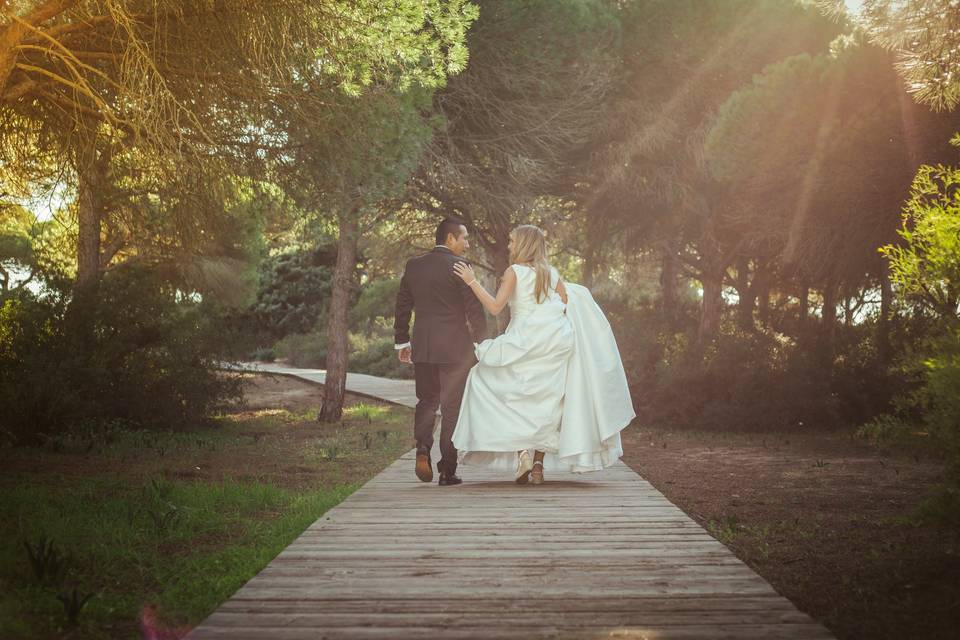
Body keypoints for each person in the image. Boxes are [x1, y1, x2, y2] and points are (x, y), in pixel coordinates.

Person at [451, 224, 635, 485]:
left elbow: (494, 307)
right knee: (547, 404)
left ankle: (523, 454)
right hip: (552, 343)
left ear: (524, 244)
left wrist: (472, 282)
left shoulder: (513, 272)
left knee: (500, 392)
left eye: (513, 241)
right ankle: (537, 466)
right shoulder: (552, 273)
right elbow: (565, 306)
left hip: (521, 341)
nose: (510, 246)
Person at [394, 218, 488, 486]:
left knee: (426, 401)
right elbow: (473, 309)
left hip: (423, 346)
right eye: (464, 238)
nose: (467, 243)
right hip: (455, 350)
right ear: (450, 238)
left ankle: (422, 448)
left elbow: (402, 305)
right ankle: (448, 470)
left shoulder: (414, 266)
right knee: (451, 409)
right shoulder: (460, 266)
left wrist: (402, 341)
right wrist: (483, 343)